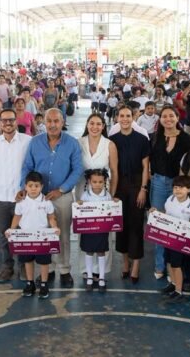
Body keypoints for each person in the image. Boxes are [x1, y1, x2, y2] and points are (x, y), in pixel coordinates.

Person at [20, 108, 83, 287]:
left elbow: (77, 169)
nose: (53, 125)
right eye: (49, 121)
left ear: (62, 122)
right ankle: (48, 270)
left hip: (62, 196)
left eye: (56, 121)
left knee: (62, 234)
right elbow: (27, 166)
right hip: (38, 198)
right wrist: (24, 188)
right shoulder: (35, 142)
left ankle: (64, 269)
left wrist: (61, 189)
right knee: (42, 234)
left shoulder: (72, 143)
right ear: (44, 122)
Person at [149, 106, 190, 280]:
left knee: (177, 225)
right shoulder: (154, 137)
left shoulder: (186, 139)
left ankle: (174, 267)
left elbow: (189, 163)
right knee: (159, 225)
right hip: (159, 182)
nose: (168, 119)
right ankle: (160, 265)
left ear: (177, 118)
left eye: (171, 116)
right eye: (164, 116)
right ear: (160, 120)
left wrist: (183, 186)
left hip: (178, 185)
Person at [110, 106, 151, 283]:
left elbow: (145, 167)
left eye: (128, 116)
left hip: (136, 186)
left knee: (136, 225)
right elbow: (112, 168)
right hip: (120, 186)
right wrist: (112, 192)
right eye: (122, 116)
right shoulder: (112, 140)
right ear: (117, 118)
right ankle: (125, 262)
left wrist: (143, 189)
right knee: (121, 226)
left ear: (133, 117)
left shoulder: (142, 139)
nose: (125, 119)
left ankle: (136, 264)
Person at [75, 113, 119, 280]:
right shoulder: (79, 143)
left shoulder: (110, 144)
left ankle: (101, 270)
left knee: (103, 230)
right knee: (85, 229)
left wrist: (112, 195)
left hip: (103, 192)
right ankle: (85, 268)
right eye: (92, 123)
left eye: (98, 124)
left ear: (103, 126)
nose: (95, 127)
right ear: (87, 125)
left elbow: (114, 171)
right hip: (83, 191)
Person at [0, 108, 32, 283]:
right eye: (4, 120)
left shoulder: (27, 141)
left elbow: (32, 166)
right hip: (0, 196)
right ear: (0, 123)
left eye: (11, 120)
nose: (8, 123)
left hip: (20, 197)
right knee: (4, 234)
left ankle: (23, 265)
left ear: (16, 122)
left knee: (22, 232)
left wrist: (25, 189)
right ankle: (7, 266)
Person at [8, 171, 60, 299]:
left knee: (44, 262)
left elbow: (51, 217)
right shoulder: (21, 202)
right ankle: (30, 283)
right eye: (30, 186)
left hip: (43, 237)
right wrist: (11, 230)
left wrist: (55, 228)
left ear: (42, 187)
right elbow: (17, 217)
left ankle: (44, 284)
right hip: (26, 237)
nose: (33, 189)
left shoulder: (46, 202)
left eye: (36, 186)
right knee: (28, 260)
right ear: (25, 186)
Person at [157, 175, 190, 303]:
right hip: (168, 238)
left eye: (181, 188)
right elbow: (165, 214)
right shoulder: (170, 200)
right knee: (169, 262)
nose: (178, 190)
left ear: (189, 189)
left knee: (177, 265)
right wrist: (156, 213)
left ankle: (179, 291)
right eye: (175, 187)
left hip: (180, 241)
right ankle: (173, 283)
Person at [78, 168, 113, 293]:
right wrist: (80, 204)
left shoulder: (107, 195)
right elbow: (80, 210)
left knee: (101, 252)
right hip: (88, 230)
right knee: (89, 251)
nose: (97, 184)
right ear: (89, 181)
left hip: (102, 230)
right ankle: (89, 277)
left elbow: (111, 210)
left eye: (100, 182)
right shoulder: (85, 195)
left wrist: (114, 203)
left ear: (104, 182)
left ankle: (102, 277)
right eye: (94, 182)